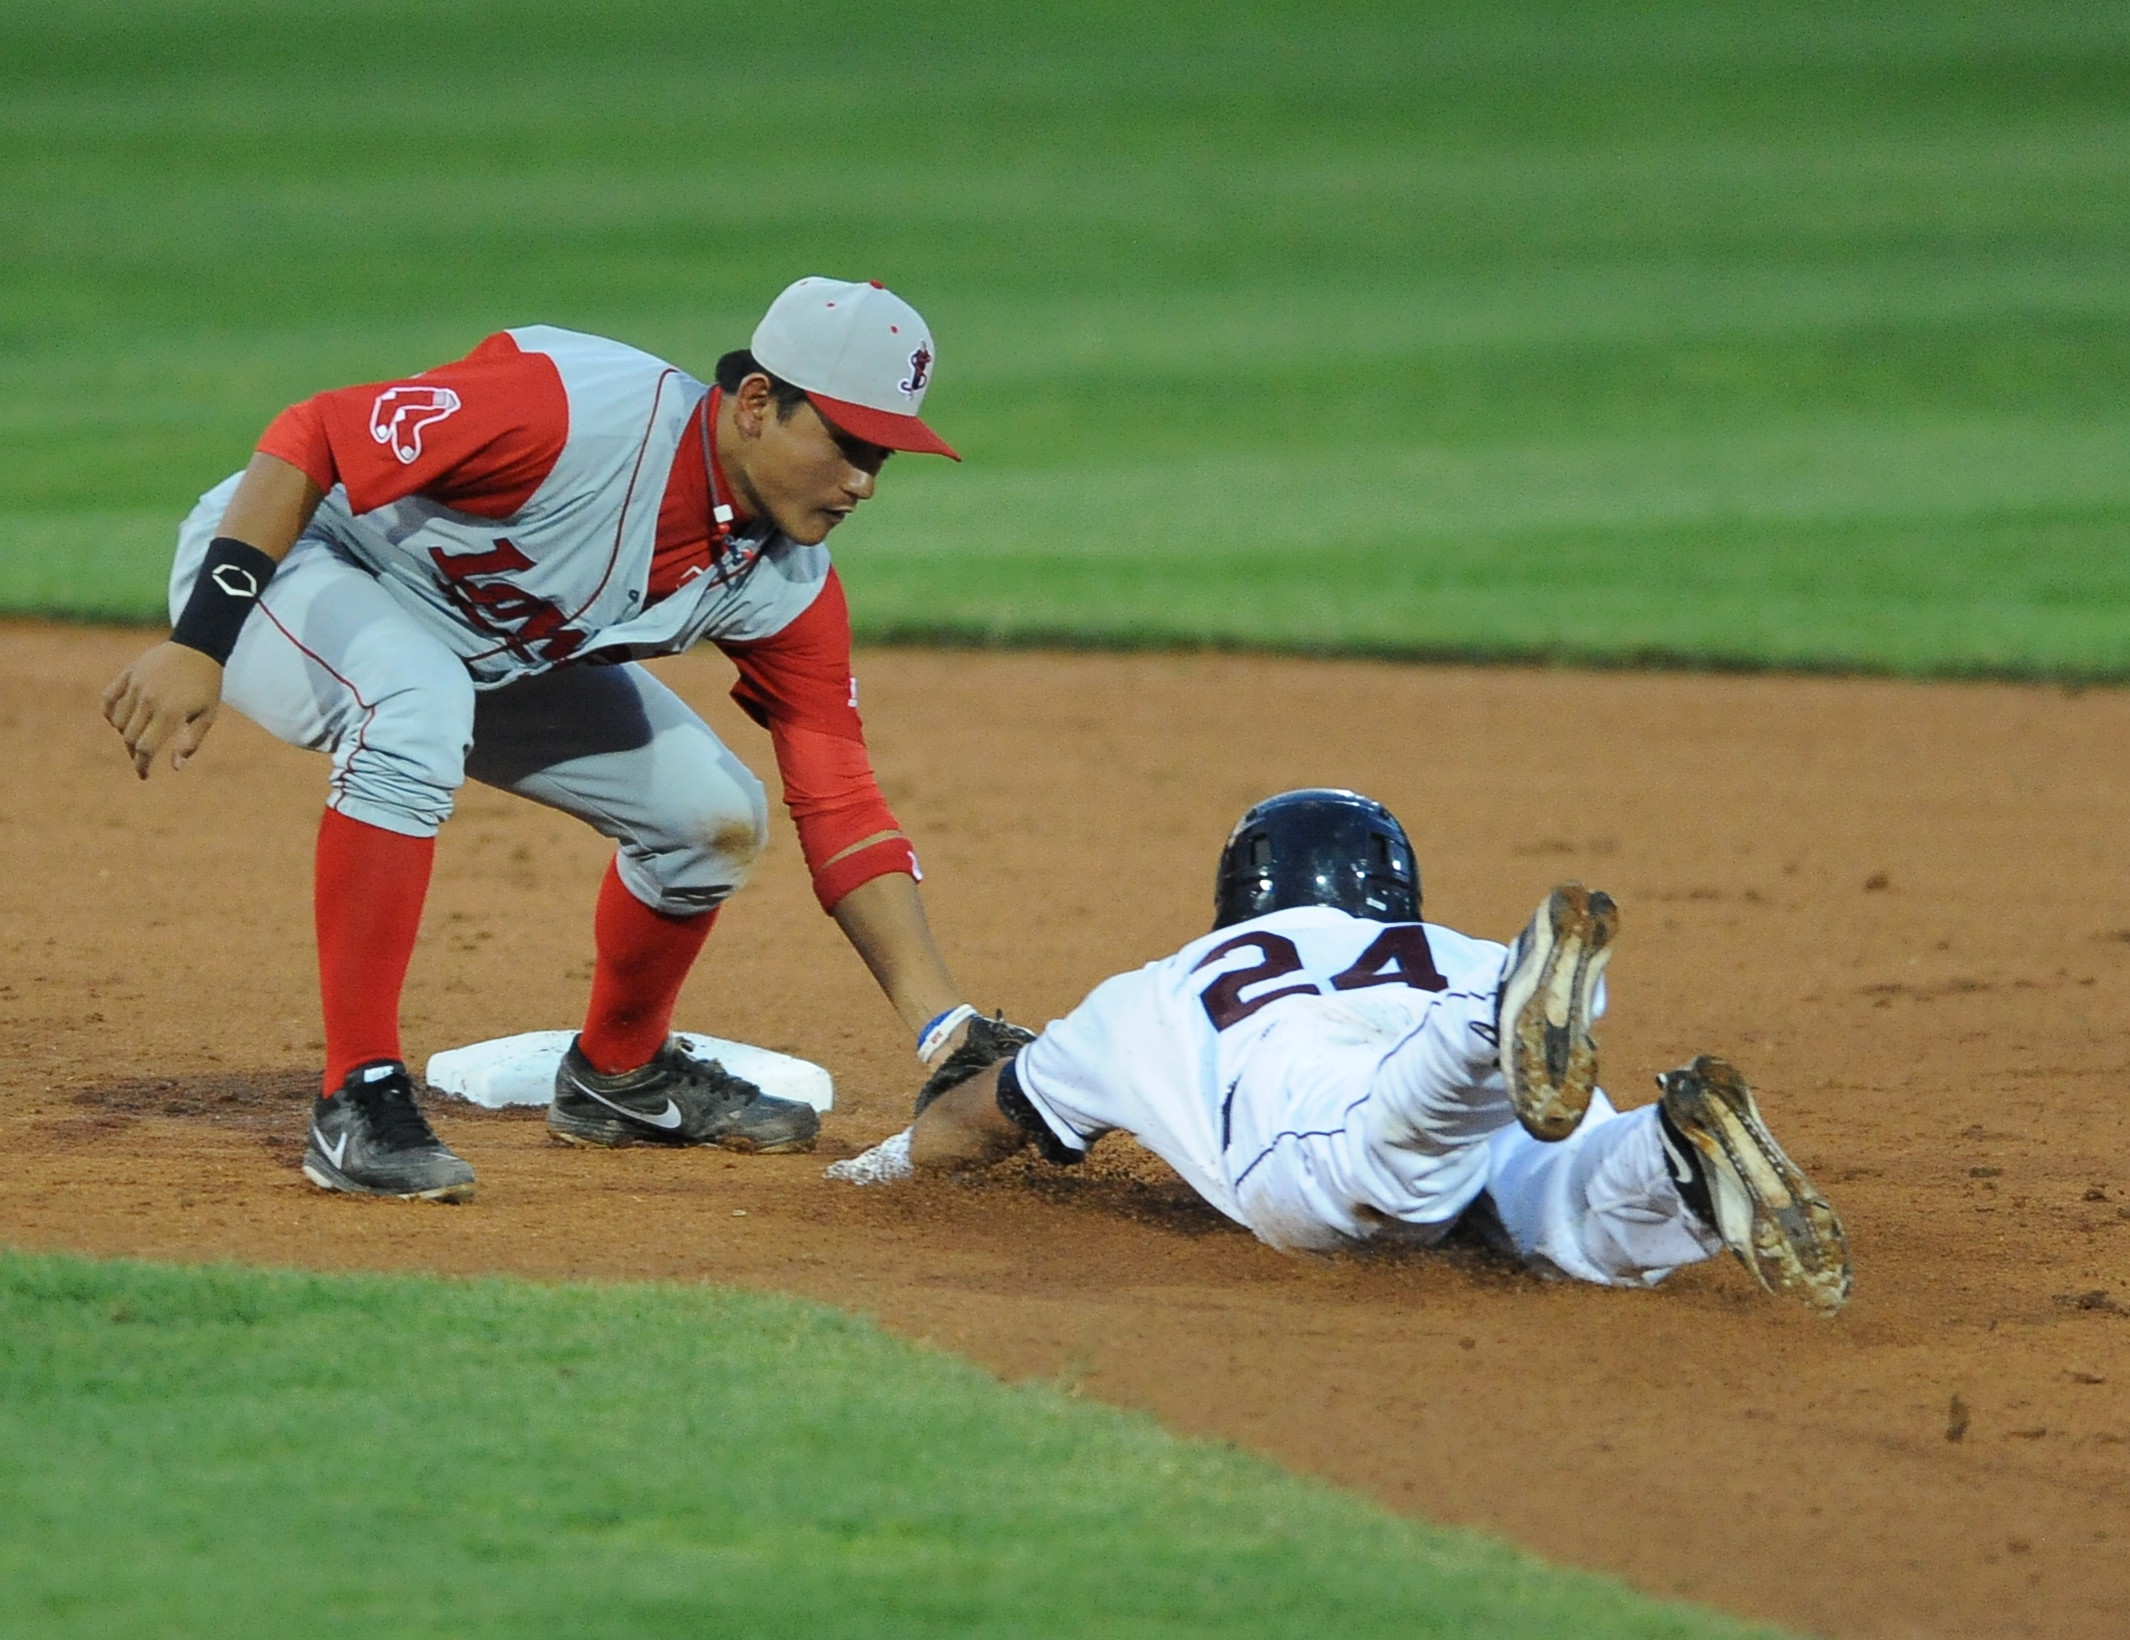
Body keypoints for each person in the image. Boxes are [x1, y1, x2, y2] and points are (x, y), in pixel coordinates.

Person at [100, 277, 1033, 1202]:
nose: (865, 481)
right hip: (299, 564)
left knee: (712, 814)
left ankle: (619, 1077)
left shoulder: (785, 580)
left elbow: (839, 798)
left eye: (885, 453)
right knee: (414, 703)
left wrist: (941, 1024)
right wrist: (199, 644)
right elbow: (314, 433)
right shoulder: (573, 413)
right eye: (847, 442)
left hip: (484, 650)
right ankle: (358, 1094)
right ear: (757, 403)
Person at [832, 789, 1853, 1315]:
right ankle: (1669, 1154)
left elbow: (978, 1119)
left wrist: (871, 1171)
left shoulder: (1153, 988)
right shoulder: (1448, 945)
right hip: (1489, 1023)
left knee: (1387, 1159)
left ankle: (1484, 1035)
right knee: (1571, 1213)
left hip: (1329, 1103)